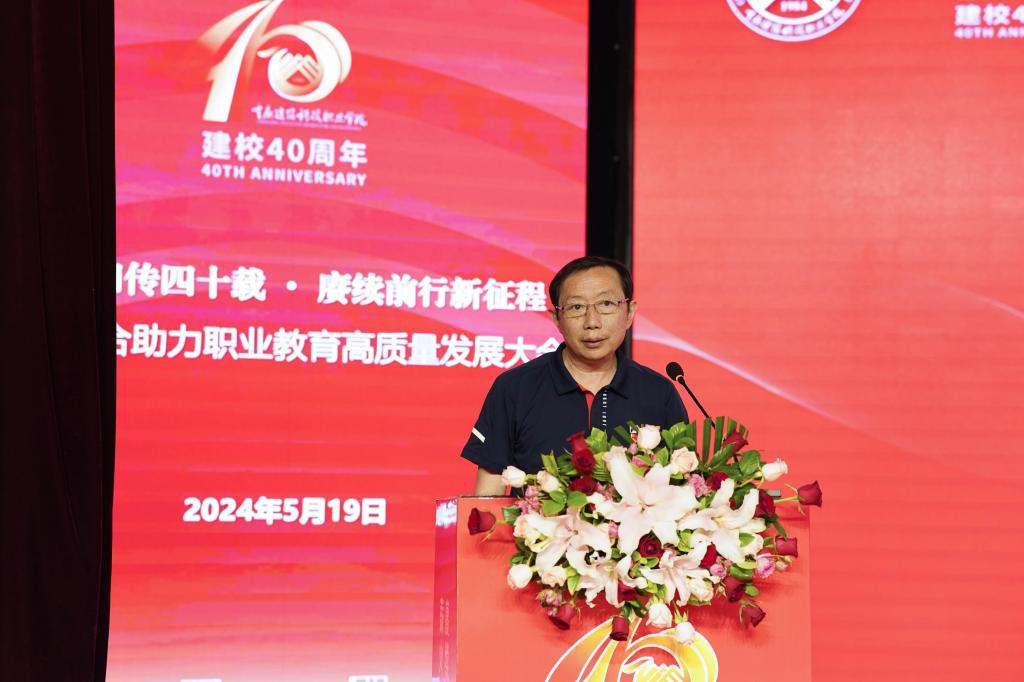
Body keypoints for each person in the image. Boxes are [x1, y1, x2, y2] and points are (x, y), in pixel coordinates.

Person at [462, 256, 688, 495]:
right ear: (556, 319)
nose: (592, 322)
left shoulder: (658, 393)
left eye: (606, 304)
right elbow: (487, 495)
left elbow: (683, 487)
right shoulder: (515, 388)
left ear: (630, 312)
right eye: (576, 307)